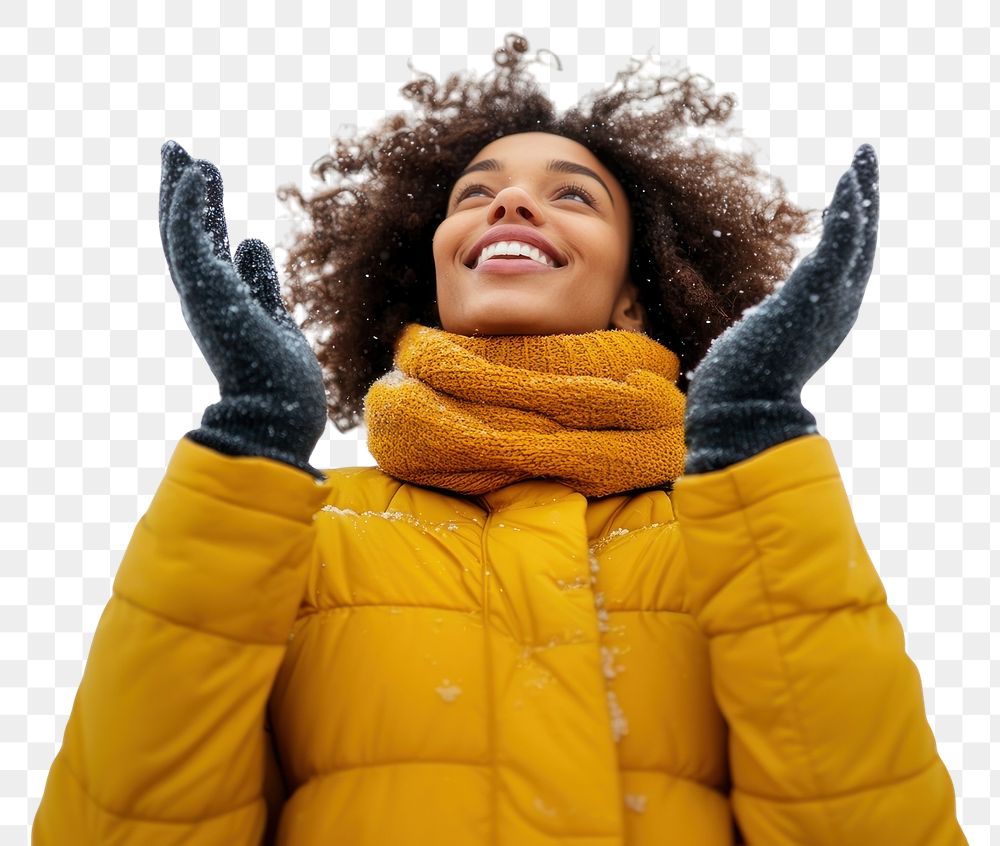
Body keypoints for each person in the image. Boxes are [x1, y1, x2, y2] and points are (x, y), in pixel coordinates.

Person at [33, 34, 967, 846]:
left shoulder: (732, 536)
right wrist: (248, 444)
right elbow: (118, 822)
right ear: (434, 266)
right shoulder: (299, 533)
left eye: (574, 197)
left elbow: (869, 819)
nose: (510, 208)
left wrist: (758, 436)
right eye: (476, 193)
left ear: (635, 296)